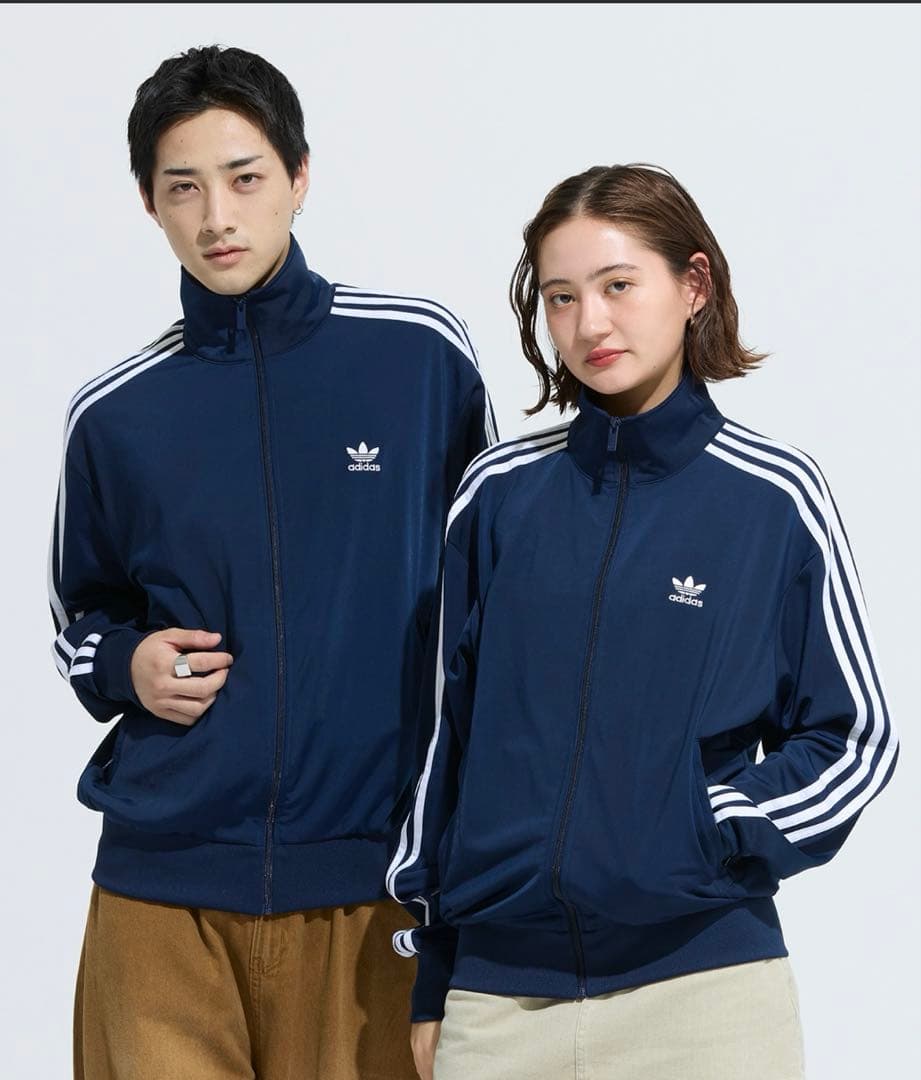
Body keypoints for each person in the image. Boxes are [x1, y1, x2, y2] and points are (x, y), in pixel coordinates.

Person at [386, 163, 898, 1080]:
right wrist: (435, 975)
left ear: (692, 285)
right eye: (560, 297)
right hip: (500, 1004)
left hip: (703, 999)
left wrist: (714, 822)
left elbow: (854, 736)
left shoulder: (771, 498)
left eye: (617, 285)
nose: (589, 323)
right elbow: (442, 746)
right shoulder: (496, 495)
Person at [49, 44, 496, 1080]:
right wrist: (128, 665)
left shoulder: (419, 358)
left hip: (373, 886)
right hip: (162, 898)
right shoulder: (116, 415)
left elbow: (497, 600)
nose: (218, 217)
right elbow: (80, 619)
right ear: (149, 204)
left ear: (299, 177)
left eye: (245, 178)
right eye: (184, 188)